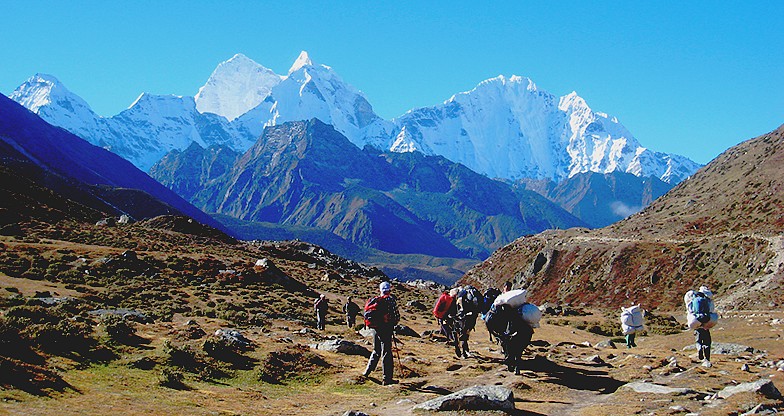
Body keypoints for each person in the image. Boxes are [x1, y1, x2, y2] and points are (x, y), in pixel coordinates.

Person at [362, 281, 400, 385]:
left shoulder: (375, 300)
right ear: (389, 289)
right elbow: (396, 316)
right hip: (386, 329)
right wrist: (393, 324)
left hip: (375, 328)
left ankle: (367, 372)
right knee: (386, 352)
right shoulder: (390, 300)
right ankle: (387, 378)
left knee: (376, 350)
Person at [693, 286, 715, 368]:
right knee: (707, 342)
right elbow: (711, 310)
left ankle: (699, 348)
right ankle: (707, 359)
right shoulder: (707, 301)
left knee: (698, 340)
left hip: (697, 323)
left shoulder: (694, 300)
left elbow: (692, 311)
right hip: (706, 323)